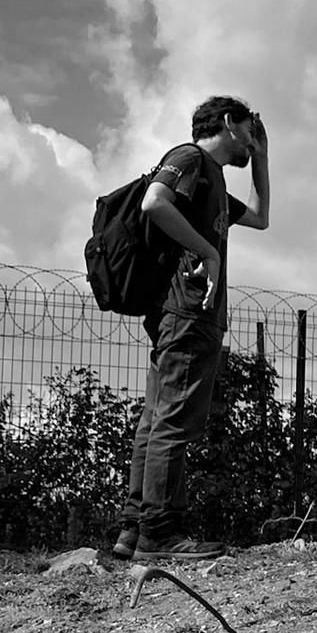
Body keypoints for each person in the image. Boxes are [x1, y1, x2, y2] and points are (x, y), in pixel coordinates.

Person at [113, 96, 270, 562]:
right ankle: (159, 533)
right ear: (229, 123)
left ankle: (135, 528)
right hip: (189, 311)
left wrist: (261, 158)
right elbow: (154, 202)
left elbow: (260, 217)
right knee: (173, 420)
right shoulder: (191, 158)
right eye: (250, 130)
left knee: (157, 418)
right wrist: (209, 251)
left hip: (182, 313)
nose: (251, 140)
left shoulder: (213, 179)